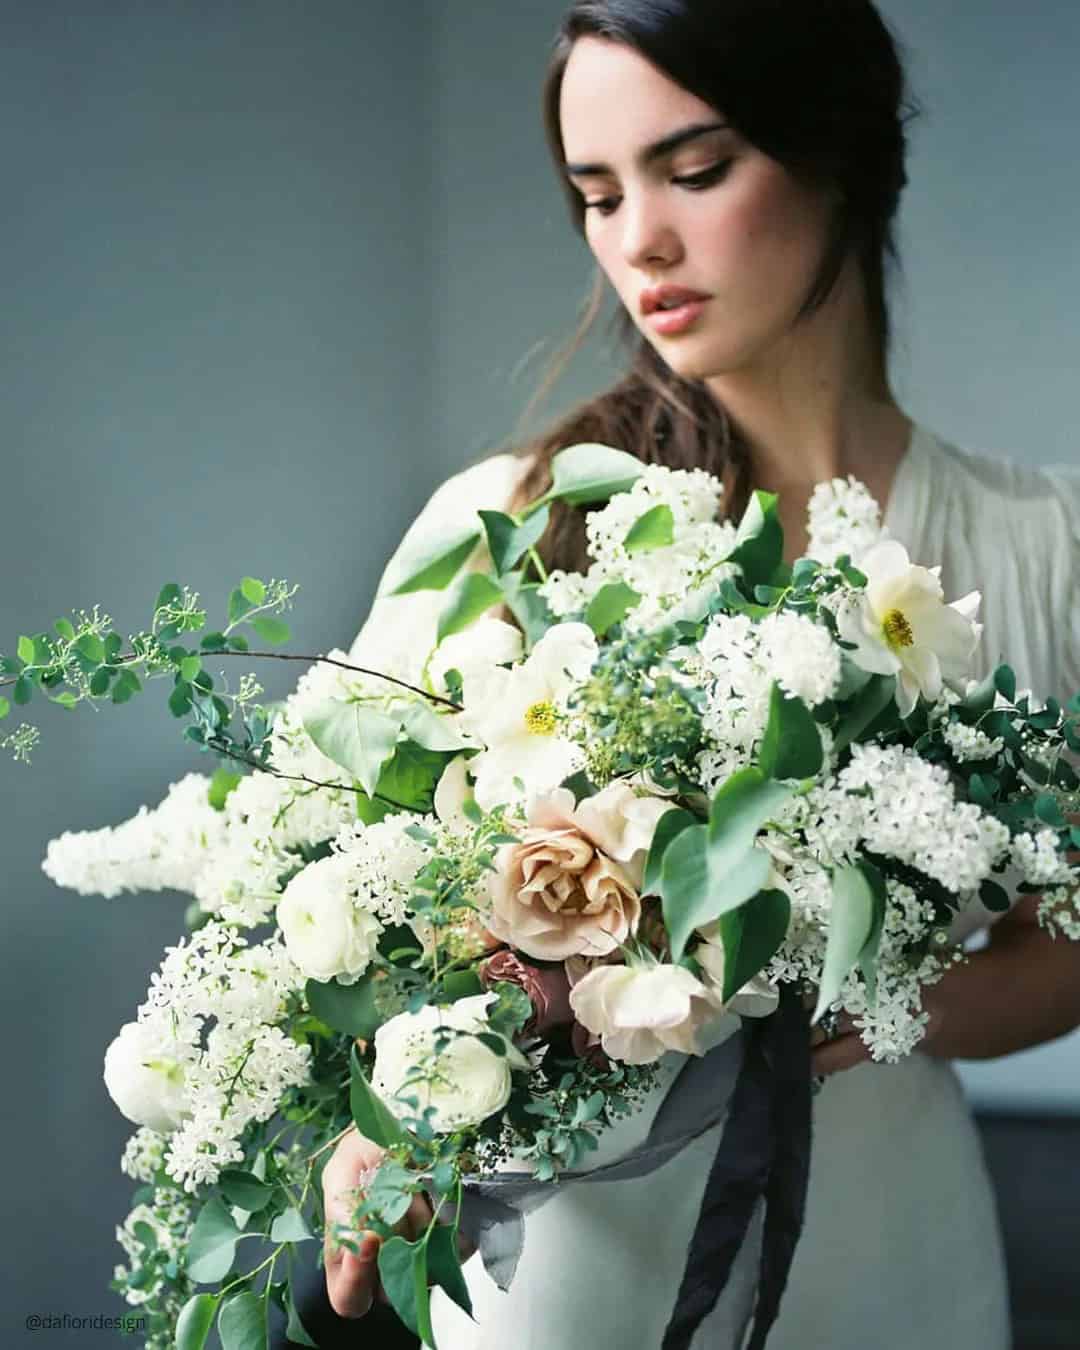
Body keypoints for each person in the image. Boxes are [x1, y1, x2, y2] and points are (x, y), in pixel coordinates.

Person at [311, 2, 1080, 1345]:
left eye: (697, 169)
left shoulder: (1044, 547)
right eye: (597, 196)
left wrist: (879, 999)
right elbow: (334, 881)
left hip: (896, 1245)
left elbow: (1067, 946)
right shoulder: (514, 521)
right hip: (572, 1262)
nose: (637, 243)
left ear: (837, 150)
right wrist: (371, 1108)